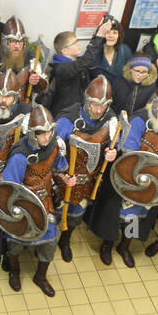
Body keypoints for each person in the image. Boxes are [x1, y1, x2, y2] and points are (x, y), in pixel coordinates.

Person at [87, 77, 158, 268]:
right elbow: (129, 153)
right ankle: (108, 245)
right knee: (117, 216)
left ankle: (124, 246)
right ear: (156, 101)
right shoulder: (140, 119)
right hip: (129, 178)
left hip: (156, 183)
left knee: (136, 217)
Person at [0, 105, 70, 296]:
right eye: (41, 133)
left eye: (49, 132)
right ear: (32, 133)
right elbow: (9, 186)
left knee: (49, 242)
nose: (47, 137)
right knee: (14, 243)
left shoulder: (55, 146)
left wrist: (64, 178)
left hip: (45, 200)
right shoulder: (21, 155)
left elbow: (57, 169)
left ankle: (40, 276)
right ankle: (14, 271)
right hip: (21, 203)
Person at [52, 74, 119, 263]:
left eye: (103, 106)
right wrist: (62, 174)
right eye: (94, 105)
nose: (98, 110)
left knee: (75, 215)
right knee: (53, 212)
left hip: (87, 181)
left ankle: (65, 240)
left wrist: (112, 153)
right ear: (87, 101)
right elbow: (52, 149)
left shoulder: (111, 121)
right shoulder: (68, 119)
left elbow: (116, 143)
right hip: (63, 177)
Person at [41, 22, 109, 118]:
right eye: (74, 43)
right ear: (64, 51)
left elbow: (88, 58)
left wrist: (100, 34)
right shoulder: (61, 68)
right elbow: (86, 60)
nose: (78, 45)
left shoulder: (73, 63)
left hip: (74, 112)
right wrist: (99, 35)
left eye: (77, 41)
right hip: (64, 115)